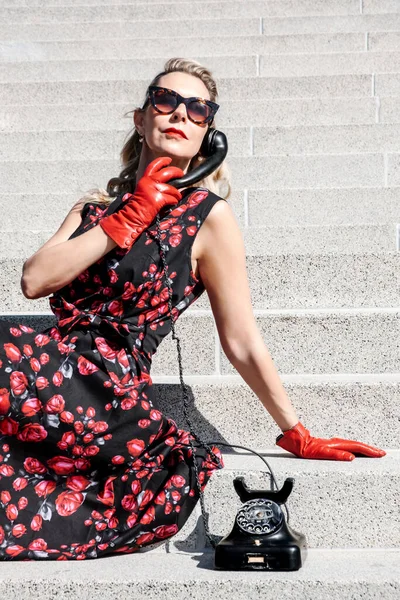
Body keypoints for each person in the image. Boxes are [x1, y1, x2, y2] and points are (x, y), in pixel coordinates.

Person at [0, 58, 385, 562]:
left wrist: (295, 432)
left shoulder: (209, 217)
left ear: (208, 135)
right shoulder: (93, 210)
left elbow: (241, 339)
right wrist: (130, 216)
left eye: (198, 109)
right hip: (46, 373)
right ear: (141, 119)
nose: (180, 113)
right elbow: (34, 280)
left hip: (109, 390)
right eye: (166, 100)